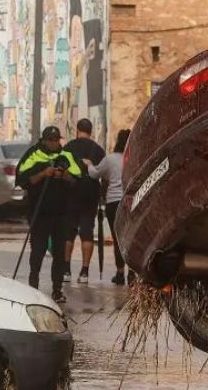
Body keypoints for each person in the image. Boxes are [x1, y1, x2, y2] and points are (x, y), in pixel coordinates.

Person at [16, 126, 82, 304]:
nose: (54, 143)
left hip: (61, 214)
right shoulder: (34, 154)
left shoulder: (66, 155)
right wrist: (44, 174)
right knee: (37, 250)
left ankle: (57, 289)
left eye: (56, 140)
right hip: (39, 213)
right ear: (44, 140)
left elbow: (79, 180)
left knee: (60, 253)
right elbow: (22, 180)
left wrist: (66, 176)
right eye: (51, 140)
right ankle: (33, 285)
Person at [63, 118, 106, 284]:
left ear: (77, 130)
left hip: (70, 195)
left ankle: (66, 270)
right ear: (91, 131)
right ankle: (85, 272)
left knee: (69, 234)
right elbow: (103, 175)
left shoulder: (68, 148)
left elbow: (62, 170)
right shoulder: (98, 150)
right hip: (90, 196)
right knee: (87, 234)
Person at [90, 129, 130, 286]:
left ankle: (120, 273)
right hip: (131, 202)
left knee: (118, 239)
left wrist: (88, 165)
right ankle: (132, 274)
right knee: (130, 237)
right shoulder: (134, 158)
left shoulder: (111, 159)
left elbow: (95, 173)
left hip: (114, 202)